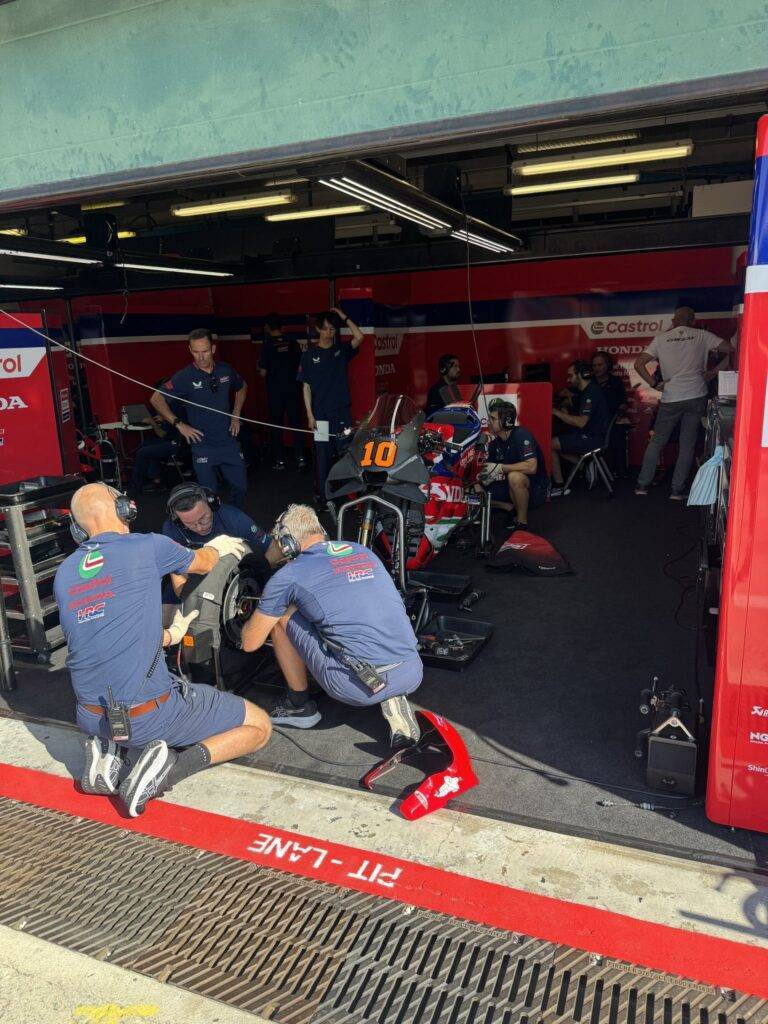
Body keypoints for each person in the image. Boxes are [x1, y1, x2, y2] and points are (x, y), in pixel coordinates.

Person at [54, 483, 271, 818]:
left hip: (88, 714)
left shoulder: (65, 573)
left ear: (78, 528)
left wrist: (170, 636)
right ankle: (165, 768)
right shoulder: (147, 546)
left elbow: (110, 630)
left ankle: (109, 752)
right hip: (149, 715)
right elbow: (204, 562)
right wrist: (220, 545)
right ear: (124, 509)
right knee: (259, 726)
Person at [241, 503, 422, 749]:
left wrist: (264, 602)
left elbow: (250, 643)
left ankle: (299, 706)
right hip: (411, 669)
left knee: (282, 615)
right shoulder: (361, 551)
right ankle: (392, 694)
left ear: (287, 543)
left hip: (354, 687)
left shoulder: (288, 576)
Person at [634, 307, 733, 499]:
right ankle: (677, 490)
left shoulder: (661, 339)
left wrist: (655, 383)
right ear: (693, 320)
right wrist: (714, 372)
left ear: (673, 320)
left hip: (671, 397)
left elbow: (639, 364)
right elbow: (733, 349)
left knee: (656, 442)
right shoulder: (702, 335)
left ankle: (642, 485)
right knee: (687, 444)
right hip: (696, 395)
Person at [150, 328, 248, 506]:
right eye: (196, 352)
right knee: (208, 497)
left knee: (241, 488)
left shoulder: (225, 370)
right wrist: (179, 424)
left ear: (213, 349)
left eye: (204, 351)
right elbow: (156, 399)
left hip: (228, 442)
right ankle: (213, 529)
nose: (201, 357)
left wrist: (236, 413)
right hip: (203, 445)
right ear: (190, 350)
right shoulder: (184, 377)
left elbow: (242, 386)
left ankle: (232, 523)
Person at [299, 307, 365, 508]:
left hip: (342, 413)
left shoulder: (341, 350)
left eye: (332, 329)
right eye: (326, 329)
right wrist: (310, 416)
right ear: (318, 329)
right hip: (320, 416)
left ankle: (342, 495)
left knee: (345, 454)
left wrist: (343, 316)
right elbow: (306, 386)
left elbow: (359, 336)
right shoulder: (309, 356)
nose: (329, 333)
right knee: (322, 457)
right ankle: (322, 496)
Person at [482, 399, 549, 530]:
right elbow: (491, 469)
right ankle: (509, 507)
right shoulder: (494, 443)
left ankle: (522, 523)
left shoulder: (521, 435)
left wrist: (499, 468)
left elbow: (531, 467)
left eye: (493, 418)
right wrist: (484, 475)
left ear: (506, 421)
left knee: (515, 477)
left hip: (536, 488)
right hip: (509, 487)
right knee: (474, 489)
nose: (489, 421)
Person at [550, 361, 610, 495]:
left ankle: (560, 486)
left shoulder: (590, 394)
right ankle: (585, 464)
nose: (568, 379)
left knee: (549, 444)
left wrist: (556, 412)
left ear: (581, 375)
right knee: (558, 440)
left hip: (592, 438)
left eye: (571, 376)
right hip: (591, 434)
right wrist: (565, 408)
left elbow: (581, 422)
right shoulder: (587, 390)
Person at [259, 313, 307, 472]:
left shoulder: (266, 345)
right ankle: (301, 457)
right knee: (296, 424)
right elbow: (302, 367)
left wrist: (258, 368)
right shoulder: (293, 343)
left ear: (267, 327)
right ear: (282, 327)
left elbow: (263, 373)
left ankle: (280, 460)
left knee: (276, 426)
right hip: (293, 390)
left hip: (276, 393)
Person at [129, 379, 183, 492]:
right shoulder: (171, 404)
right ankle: (155, 479)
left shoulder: (172, 407)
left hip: (175, 443)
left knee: (142, 452)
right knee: (147, 444)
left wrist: (153, 423)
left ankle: (137, 487)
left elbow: (162, 434)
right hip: (170, 439)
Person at [591, 351, 628, 417]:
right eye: (594, 365)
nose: (597, 368)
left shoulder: (616, 381)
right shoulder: (589, 381)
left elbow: (623, 403)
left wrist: (618, 414)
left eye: (600, 365)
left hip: (611, 421)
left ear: (608, 365)